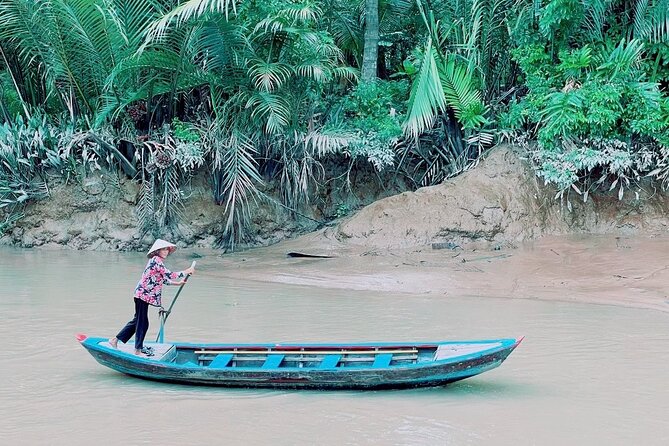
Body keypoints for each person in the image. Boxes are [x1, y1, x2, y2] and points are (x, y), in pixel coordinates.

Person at [109, 239, 195, 356]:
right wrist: (186, 271)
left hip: (143, 296)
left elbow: (163, 279)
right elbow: (169, 274)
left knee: (137, 321)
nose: (166, 252)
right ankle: (137, 349)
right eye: (163, 249)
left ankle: (115, 340)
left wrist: (177, 283)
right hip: (142, 295)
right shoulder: (155, 260)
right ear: (157, 251)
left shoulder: (157, 262)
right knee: (142, 323)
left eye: (167, 249)